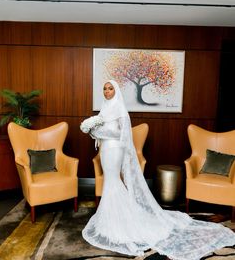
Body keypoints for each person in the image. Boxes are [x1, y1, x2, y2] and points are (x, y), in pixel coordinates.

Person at [81, 80, 235, 260]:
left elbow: (123, 135)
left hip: (115, 149)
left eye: (110, 88)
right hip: (105, 150)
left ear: (116, 91)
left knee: (113, 180)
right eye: (105, 89)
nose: (107, 92)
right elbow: (101, 130)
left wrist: (99, 132)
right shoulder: (104, 109)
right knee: (110, 180)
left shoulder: (120, 109)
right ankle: (111, 218)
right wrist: (92, 130)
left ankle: (118, 221)